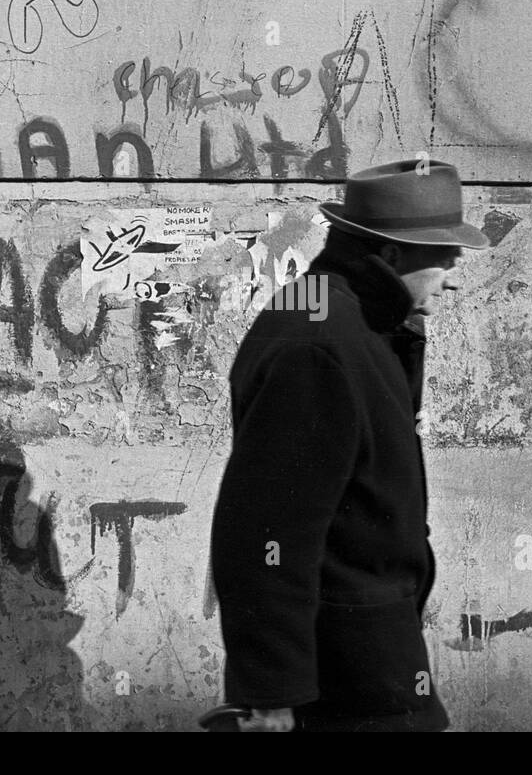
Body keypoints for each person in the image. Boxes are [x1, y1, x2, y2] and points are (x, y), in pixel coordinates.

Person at [209, 158, 489, 732]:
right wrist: (272, 694)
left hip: (371, 654)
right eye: (442, 256)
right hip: (344, 677)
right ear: (389, 256)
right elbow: (266, 531)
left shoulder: (353, 320)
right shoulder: (320, 344)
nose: (452, 275)